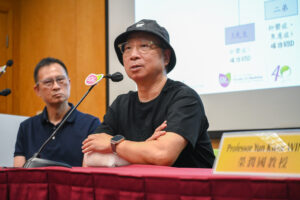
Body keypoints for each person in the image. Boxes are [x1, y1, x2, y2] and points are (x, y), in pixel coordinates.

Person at [82, 19, 215, 168]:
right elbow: (89, 157)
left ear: (166, 57)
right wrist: (144, 148)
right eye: (127, 48)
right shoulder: (121, 104)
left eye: (144, 46)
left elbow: (162, 155)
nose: (133, 55)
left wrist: (113, 145)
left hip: (188, 189)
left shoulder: (184, 98)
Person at [14, 57, 101, 167]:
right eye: (48, 82)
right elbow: (18, 174)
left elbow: (91, 173)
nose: (56, 86)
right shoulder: (26, 128)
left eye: (60, 80)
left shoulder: (91, 124)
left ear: (69, 83)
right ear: (37, 90)